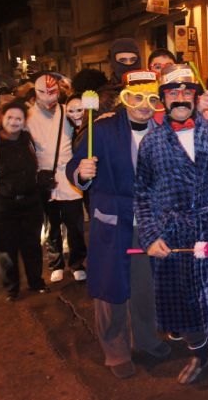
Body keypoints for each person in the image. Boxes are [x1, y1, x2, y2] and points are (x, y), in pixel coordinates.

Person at [133, 64, 208, 399]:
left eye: (187, 92)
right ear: (163, 99)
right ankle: (199, 355)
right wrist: (151, 236)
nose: (181, 98)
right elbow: (142, 195)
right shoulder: (151, 144)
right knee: (182, 310)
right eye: (173, 93)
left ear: (197, 97)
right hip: (172, 241)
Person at [66, 70, 170, 379]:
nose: (143, 105)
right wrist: (82, 173)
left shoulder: (163, 131)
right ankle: (115, 350)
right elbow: (74, 166)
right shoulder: (103, 129)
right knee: (111, 290)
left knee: (146, 287)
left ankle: (146, 339)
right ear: (125, 98)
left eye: (151, 99)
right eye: (136, 97)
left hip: (149, 223)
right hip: (112, 221)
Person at [26, 71, 87, 283]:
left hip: (69, 175)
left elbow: (82, 131)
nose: (48, 96)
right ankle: (56, 263)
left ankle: (77, 262)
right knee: (52, 225)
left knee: (75, 224)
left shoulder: (67, 110)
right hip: (45, 177)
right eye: (43, 92)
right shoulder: (28, 116)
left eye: (52, 92)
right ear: (36, 92)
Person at [0, 100, 48, 301]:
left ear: (24, 120)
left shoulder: (27, 139)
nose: (14, 122)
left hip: (30, 203)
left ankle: (36, 282)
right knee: (6, 251)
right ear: (2, 118)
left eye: (18, 118)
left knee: (32, 245)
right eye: (10, 117)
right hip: (2, 206)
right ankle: (12, 289)